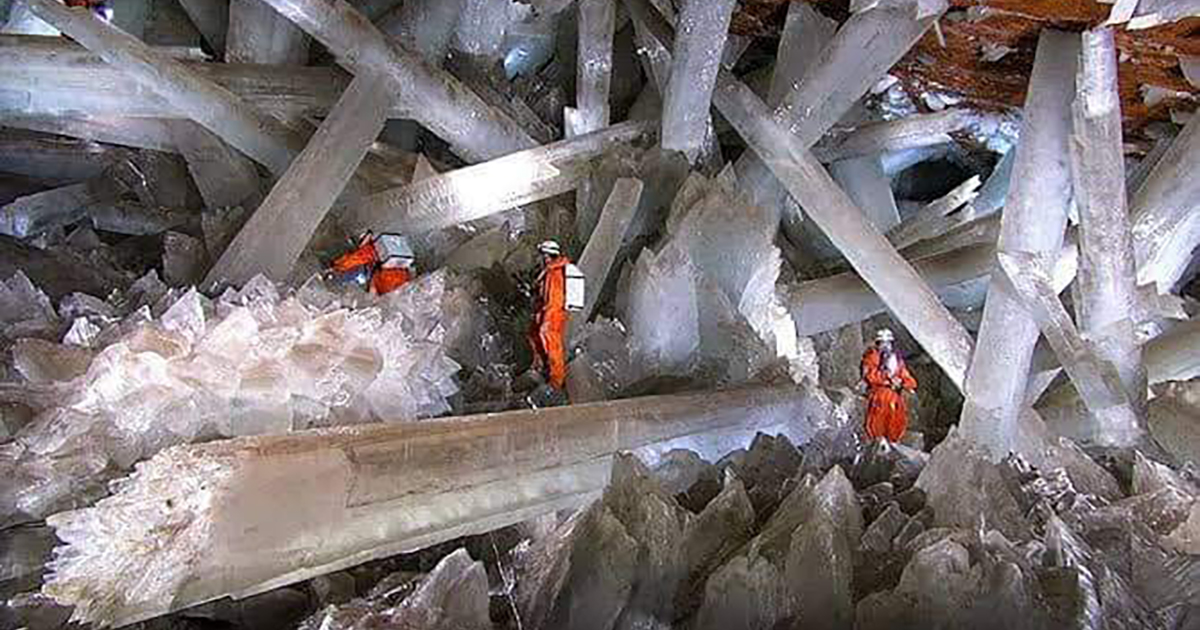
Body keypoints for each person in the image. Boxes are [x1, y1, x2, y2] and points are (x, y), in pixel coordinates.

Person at [860, 328, 917, 442]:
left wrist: (902, 382)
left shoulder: (896, 360)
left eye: (888, 342)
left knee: (897, 416)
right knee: (880, 413)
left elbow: (909, 379)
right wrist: (887, 379)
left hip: (894, 395)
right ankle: (876, 439)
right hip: (880, 393)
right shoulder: (871, 357)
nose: (885, 345)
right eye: (882, 343)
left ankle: (893, 441)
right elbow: (870, 375)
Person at [528, 240, 572, 390]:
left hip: (553, 312)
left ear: (547, 255)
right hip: (546, 310)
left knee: (552, 343)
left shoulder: (556, 272)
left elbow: (556, 298)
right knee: (534, 334)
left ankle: (556, 382)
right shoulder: (549, 271)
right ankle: (540, 366)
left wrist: (548, 315)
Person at [330, 232, 414, 296]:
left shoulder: (370, 250)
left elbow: (347, 262)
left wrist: (335, 267)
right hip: (400, 288)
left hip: (388, 287)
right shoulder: (394, 251)